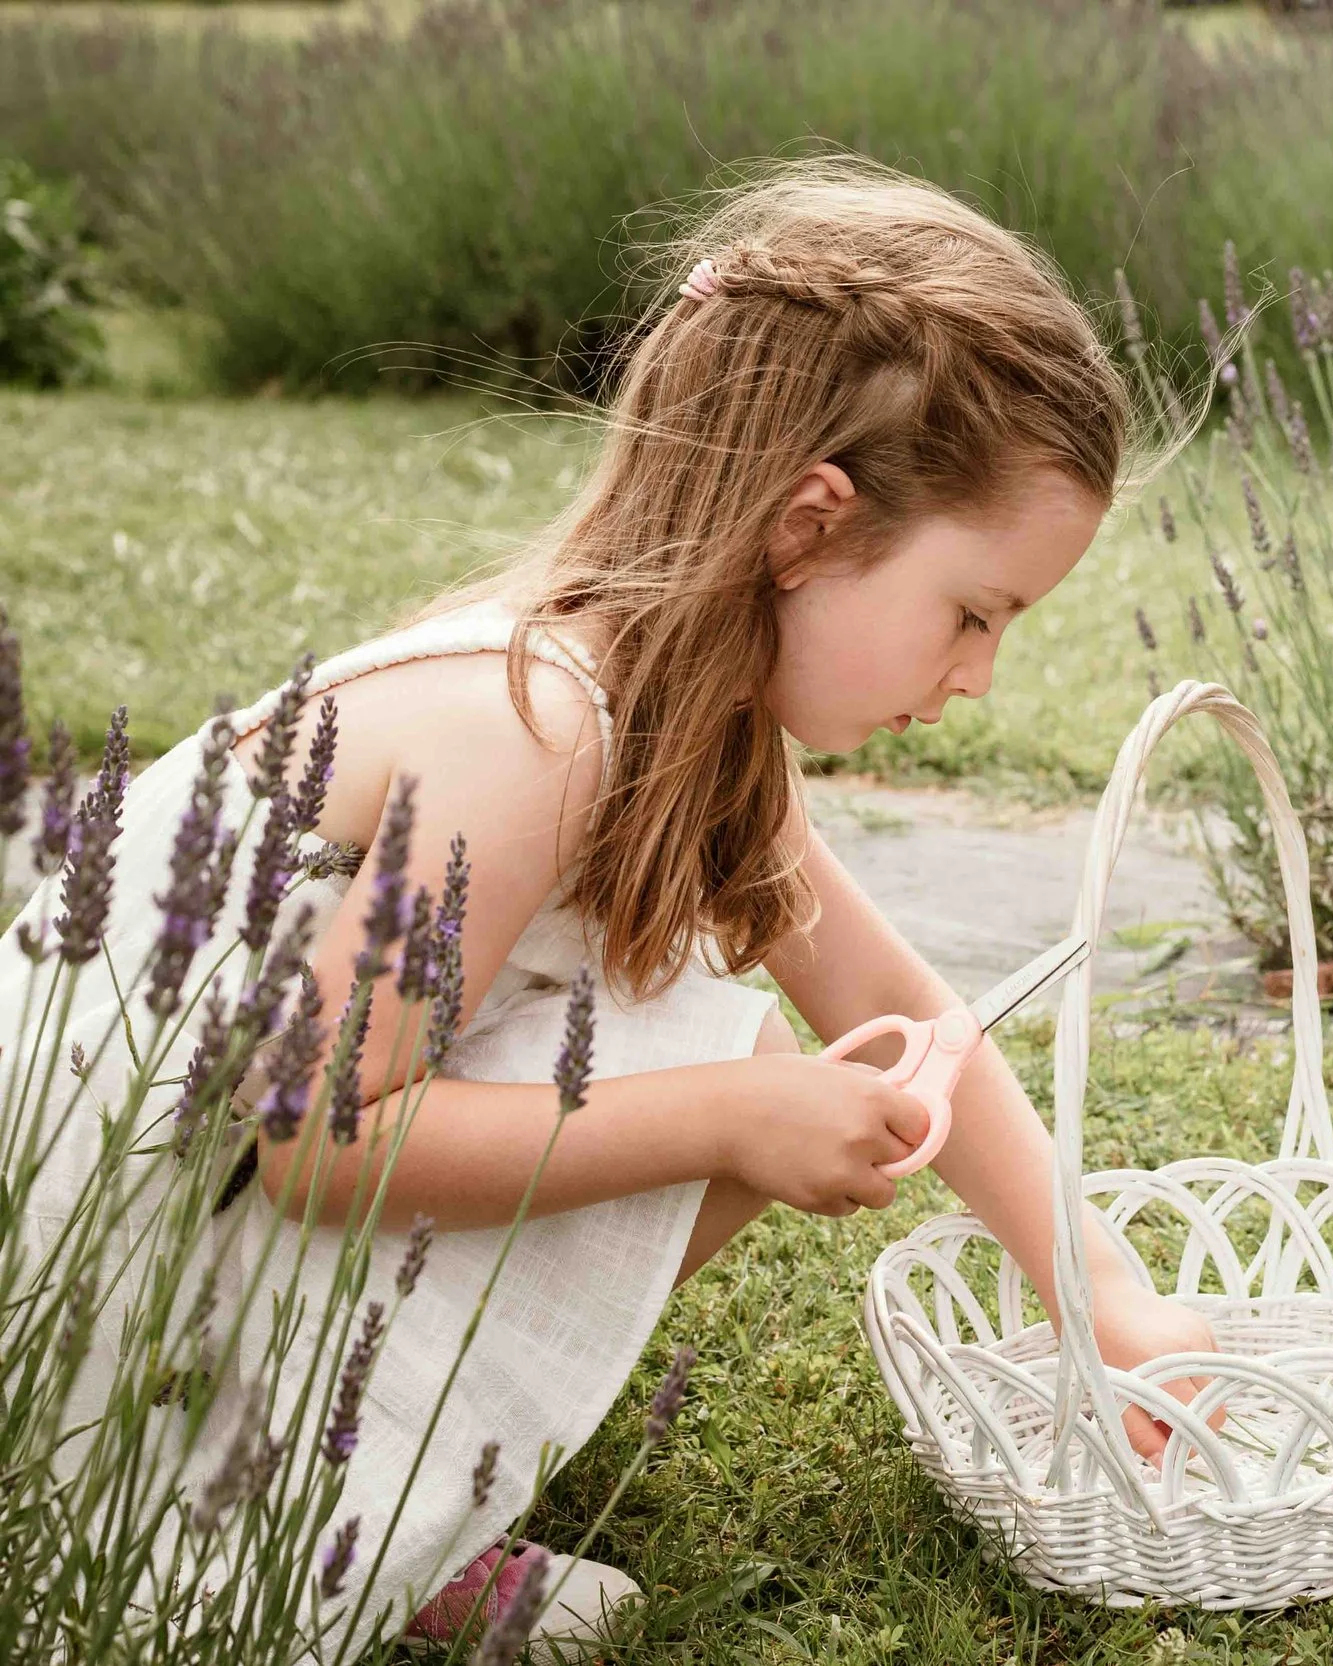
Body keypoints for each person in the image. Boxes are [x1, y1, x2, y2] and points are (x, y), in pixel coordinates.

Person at [9, 157, 1213, 1651]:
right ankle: (290, 1524)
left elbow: (907, 1018)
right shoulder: (541, 725)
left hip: (200, 1209)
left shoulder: (695, 729)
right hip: (67, 1265)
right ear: (808, 527)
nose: (976, 680)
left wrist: (1103, 1292)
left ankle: (386, 1504)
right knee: (729, 1076)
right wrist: (725, 1121)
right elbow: (316, 1136)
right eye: (973, 613)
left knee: (756, 1061)